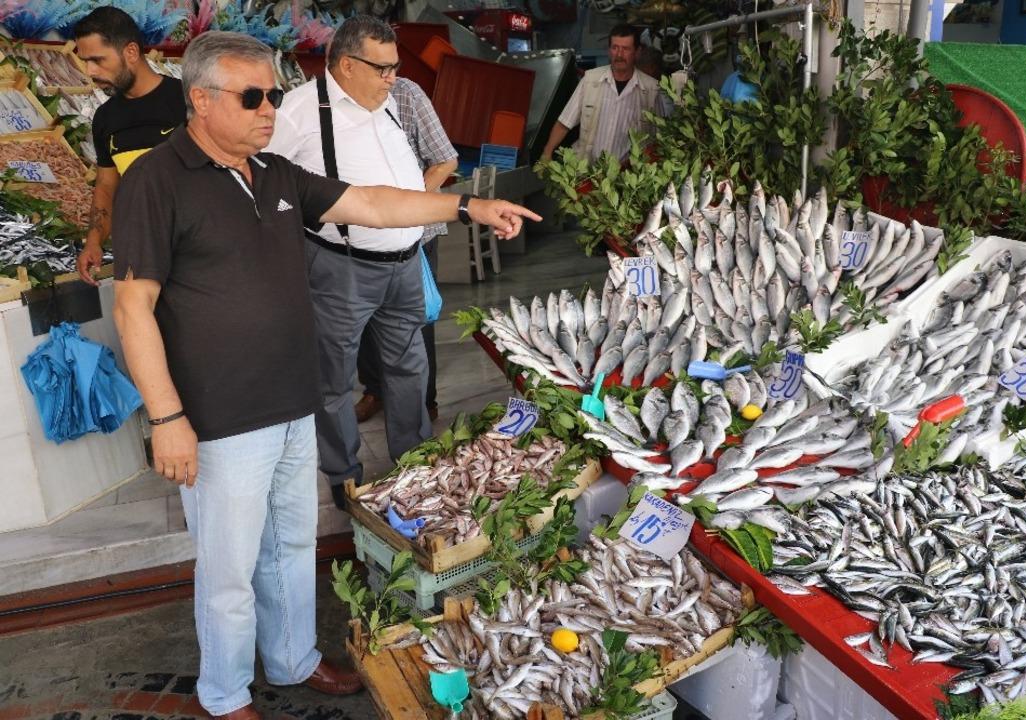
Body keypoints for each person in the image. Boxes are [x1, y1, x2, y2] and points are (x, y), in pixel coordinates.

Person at [110, 30, 537, 720]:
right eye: (252, 98)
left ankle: (293, 658)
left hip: (290, 400)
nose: (268, 110)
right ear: (201, 100)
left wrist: (467, 207)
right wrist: (167, 418)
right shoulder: (155, 181)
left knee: (290, 543)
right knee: (228, 568)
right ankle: (224, 694)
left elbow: (370, 204)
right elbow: (133, 307)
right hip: (220, 416)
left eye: (273, 97)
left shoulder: (274, 173)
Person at [265, 17, 446, 512]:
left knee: (410, 368)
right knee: (334, 380)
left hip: (405, 265)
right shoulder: (299, 111)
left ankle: (414, 465)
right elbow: (262, 179)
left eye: (395, 67)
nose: (393, 78)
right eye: (382, 68)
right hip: (341, 268)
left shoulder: (388, 103)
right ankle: (344, 478)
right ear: (346, 65)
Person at [354, 74, 458, 425]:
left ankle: (424, 401)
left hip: (414, 231)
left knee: (416, 316)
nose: (387, 74)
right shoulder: (328, 99)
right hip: (359, 230)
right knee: (364, 316)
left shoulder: (406, 94)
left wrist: (406, 205)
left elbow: (445, 160)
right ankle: (375, 390)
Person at [72, 6, 186, 286]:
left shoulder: (187, 101)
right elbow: (106, 186)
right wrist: (94, 241)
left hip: (197, 259)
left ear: (131, 52)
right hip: (142, 261)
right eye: (85, 61)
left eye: (98, 60)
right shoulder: (105, 118)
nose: (90, 71)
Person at [540, 24, 662, 163]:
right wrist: (547, 153)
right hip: (585, 169)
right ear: (609, 50)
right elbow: (565, 122)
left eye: (626, 49)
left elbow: (658, 138)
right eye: (615, 48)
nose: (619, 55)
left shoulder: (651, 89)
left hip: (627, 173)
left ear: (637, 52)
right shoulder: (590, 80)